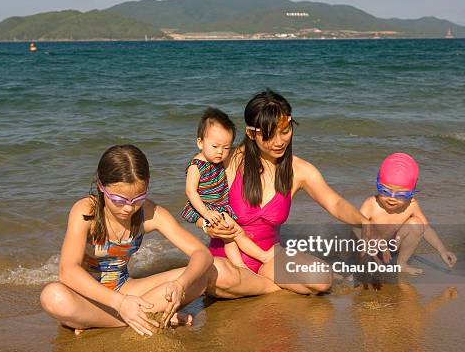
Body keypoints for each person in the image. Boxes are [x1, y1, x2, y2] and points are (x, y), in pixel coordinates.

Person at [196, 89, 371, 298]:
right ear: (251, 133)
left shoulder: (299, 170)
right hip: (228, 260)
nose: (279, 141)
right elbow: (196, 204)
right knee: (218, 276)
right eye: (269, 135)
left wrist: (366, 224)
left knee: (321, 278)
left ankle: (258, 286)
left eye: (285, 130)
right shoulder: (228, 160)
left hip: (269, 259)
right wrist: (207, 226)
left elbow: (335, 203)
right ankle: (268, 287)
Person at [40, 144, 213, 336]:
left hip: (125, 288)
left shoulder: (150, 212)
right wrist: (120, 303)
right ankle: (142, 315)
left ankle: (110, 319)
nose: (129, 209)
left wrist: (181, 284)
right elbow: (68, 271)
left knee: (199, 278)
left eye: (138, 198)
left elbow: (202, 253)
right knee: (53, 296)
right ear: (101, 186)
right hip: (86, 297)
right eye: (119, 200)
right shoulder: (85, 211)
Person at [181, 108, 274, 269]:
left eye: (226, 148)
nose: (220, 152)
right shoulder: (196, 166)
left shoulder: (218, 162)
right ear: (200, 143)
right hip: (207, 208)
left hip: (218, 207)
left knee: (231, 235)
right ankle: (253, 260)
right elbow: (190, 191)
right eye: (215, 146)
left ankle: (245, 264)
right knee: (234, 233)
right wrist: (206, 214)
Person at [359, 152, 457, 275]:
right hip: (368, 247)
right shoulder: (371, 204)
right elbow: (355, 229)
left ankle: (401, 263)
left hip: (393, 247)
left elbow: (425, 228)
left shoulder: (411, 205)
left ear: (412, 192)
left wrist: (442, 251)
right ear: (377, 183)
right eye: (385, 191)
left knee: (417, 223)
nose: (392, 198)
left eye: (401, 195)